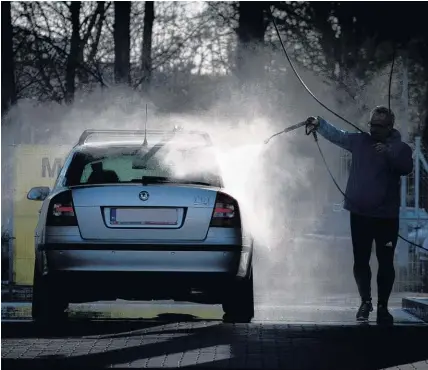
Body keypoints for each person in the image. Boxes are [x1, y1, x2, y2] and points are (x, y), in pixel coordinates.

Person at [305, 106, 413, 324]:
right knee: (360, 261)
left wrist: (389, 152)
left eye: (379, 126)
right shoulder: (360, 142)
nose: (373, 129)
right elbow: (340, 136)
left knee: (385, 262)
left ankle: (383, 306)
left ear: (390, 127)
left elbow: (406, 167)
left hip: (386, 217)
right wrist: (320, 123)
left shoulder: (400, 148)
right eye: (372, 124)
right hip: (360, 213)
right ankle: (366, 301)